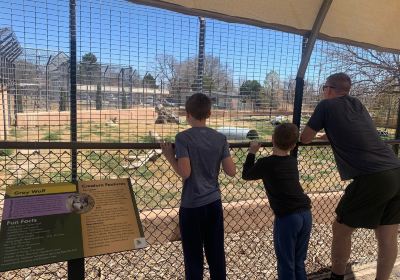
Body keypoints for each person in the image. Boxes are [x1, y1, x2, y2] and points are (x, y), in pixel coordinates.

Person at [300, 72, 400, 280]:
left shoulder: (325, 106)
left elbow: (305, 138)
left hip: (372, 177)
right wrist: (327, 134)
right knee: (388, 235)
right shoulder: (357, 104)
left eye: (323, 88)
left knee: (341, 228)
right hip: (396, 170)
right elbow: (356, 129)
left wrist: (313, 134)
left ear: (328, 89)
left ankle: (337, 277)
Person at [161, 93, 236, 280]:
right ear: (209, 113)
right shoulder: (220, 138)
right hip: (213, 202)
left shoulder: (183, 138)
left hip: (192, 205)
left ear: (187, 114)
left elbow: (185, 173)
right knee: (216, 253)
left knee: (193, 257)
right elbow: (231, 171)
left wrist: (169, 156)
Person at [242, 123, 312, 280]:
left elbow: (246, 174)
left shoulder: (266, 163)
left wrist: (252, 152)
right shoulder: (292, 162)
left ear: (272, 139)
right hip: (306, 214)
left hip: (288, 218)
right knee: (299, 261)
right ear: (294, 145)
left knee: (286, 262)